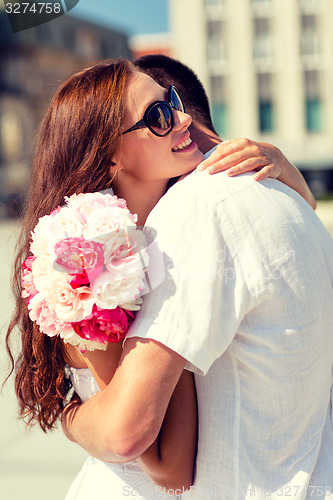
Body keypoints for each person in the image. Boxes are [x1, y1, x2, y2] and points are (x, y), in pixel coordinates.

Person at [5, 58, 317, 500]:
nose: (184, 117)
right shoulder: (90, 262)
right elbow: (169, 465)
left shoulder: (151, 234)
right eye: (159, 115)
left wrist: (280, 164)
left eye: (171, 101)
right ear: (109, 152)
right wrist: (72, 420)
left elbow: (301, 216)